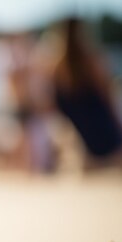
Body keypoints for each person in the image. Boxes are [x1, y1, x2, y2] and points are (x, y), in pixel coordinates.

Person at [47, 18, 122, 168]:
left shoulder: (56, 70)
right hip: (108, 139)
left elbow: (54, 109)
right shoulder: (92, 62)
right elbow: (108, 99)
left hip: (86, 142)